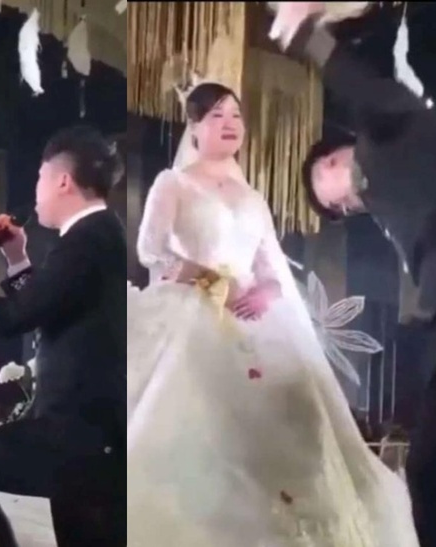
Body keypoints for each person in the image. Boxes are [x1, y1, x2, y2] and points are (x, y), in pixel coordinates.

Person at [272, 3, 436, 546]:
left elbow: (366, 90)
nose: (340, 197)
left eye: (329, 177)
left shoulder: (387, 134)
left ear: (338, 154)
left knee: (431, 474)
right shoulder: (392, 200)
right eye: (336, 208)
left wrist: (305, 34)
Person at [127, 81, 420, 546]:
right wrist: (210, 280)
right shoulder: (174, 183)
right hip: (193, 313)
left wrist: (266, 291)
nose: (230, 125)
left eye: (235, 116)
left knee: (292, 427)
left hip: (256, 319)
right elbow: (151, 249)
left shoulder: (252, 197)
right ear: (194, 126)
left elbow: (269, 264)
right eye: (216, 116)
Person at [0, 125, 127, 547]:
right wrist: (17, 257)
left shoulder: (87, 240)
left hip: (78, 435)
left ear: (62, 181)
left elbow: (12, 318)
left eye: (39, 176)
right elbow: (45, 305)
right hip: (88, 434)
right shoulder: (97, 235)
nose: (36, 189)